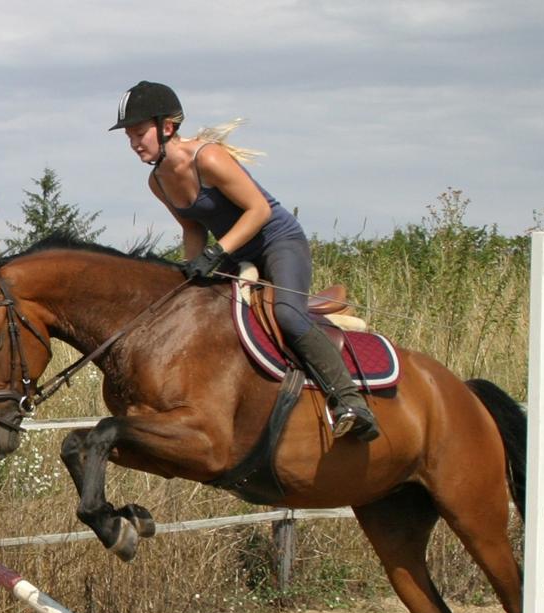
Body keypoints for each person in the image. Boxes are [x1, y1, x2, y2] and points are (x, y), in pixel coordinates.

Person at [110, 80, 379, 442]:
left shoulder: (208, 158)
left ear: (167, 127)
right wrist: (190, 271)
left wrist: (216, 253)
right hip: (235, 253)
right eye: (129, 136)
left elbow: (259, 210)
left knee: (287, 315)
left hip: (277, 242)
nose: (134, 143)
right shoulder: (158, 181)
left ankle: (351, 402)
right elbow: (192, 228)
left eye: (139, 132)